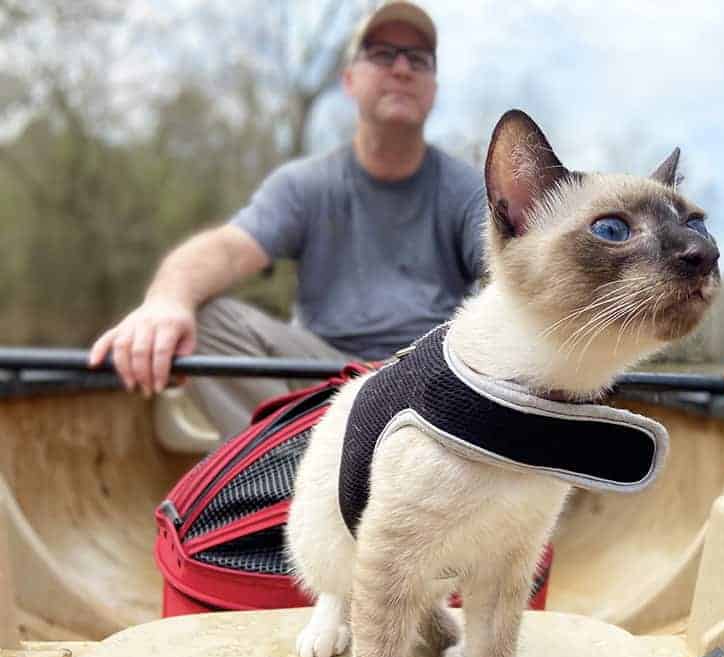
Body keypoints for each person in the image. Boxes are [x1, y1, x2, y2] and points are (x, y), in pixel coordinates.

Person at [88, 0, 486, 438]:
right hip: (322, 384)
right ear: (349, 81)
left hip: (429, 382)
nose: (401, 68)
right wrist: (167, 300)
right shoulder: (304, 184)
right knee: (206, 320)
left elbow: (510, 274)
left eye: (418, 59)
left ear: (432, 87)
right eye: (382, 54)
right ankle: (288, 469)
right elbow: (227, 248)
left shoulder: (467, 189)